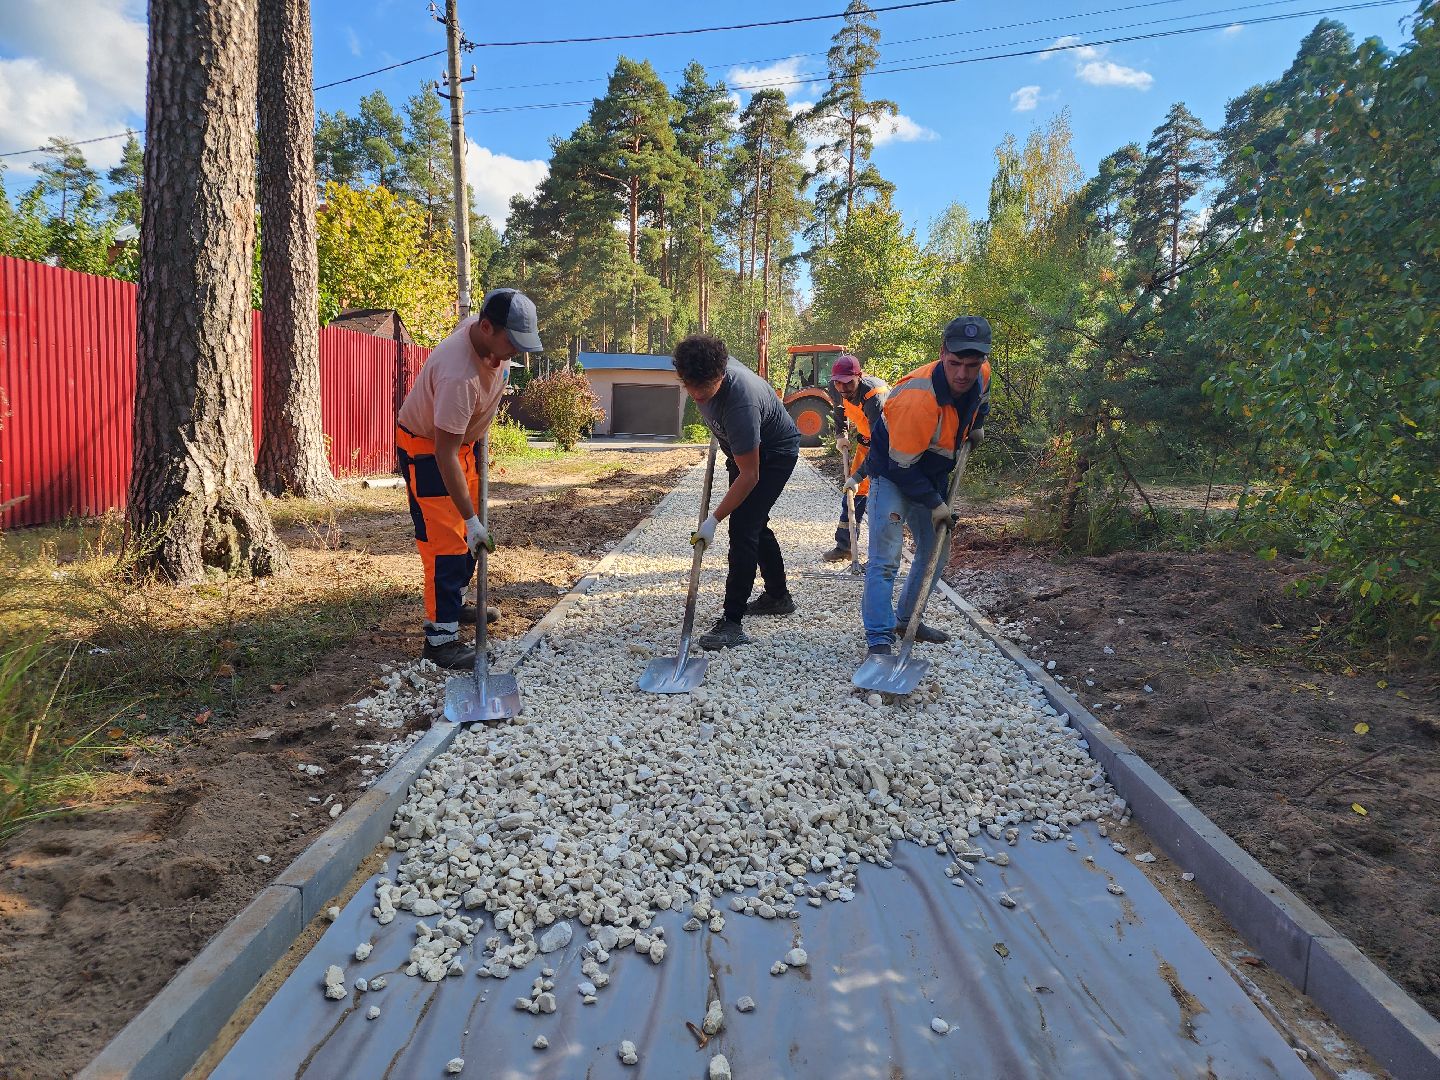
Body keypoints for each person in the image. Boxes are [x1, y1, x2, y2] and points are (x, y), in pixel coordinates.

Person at [394, 289, 543, 669]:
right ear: (486, 327)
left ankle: (456, 602)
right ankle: (440, 641)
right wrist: (473, 521)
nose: (516, 352)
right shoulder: (457, 375)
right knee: (446, 543)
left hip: (464, 444)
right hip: (430, 451)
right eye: (512, 343)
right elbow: (444, 453)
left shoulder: (486, 339)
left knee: (469, 540)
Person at [861, 316, 991, 655]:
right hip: (893, 472)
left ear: (982, 360)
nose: (963, 374)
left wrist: (977, 424)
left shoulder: (982, 373)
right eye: (955, 364)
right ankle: (879, 640)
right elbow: (901, 468)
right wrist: (935, 503)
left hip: (933, 469)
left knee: (935, 550)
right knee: (885, 559)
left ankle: (908, 620)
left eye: (972, 365)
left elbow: (982, 398)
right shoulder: (916, 399)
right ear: (942, 353)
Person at [672, 334, 801, 650]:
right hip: (741, 449)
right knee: (754, 523)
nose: (698, 397)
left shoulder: (741, 402)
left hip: (774, 453)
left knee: (742, 528)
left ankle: (732, 621)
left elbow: (751, 475)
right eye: (691, 388)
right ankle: (778, 597)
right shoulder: (698, 372)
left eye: (705, 391)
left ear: (722, 374)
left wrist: (713, 520)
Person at [822, 353, 889, 563]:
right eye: (838, 384)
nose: (843, 388)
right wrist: (841, 435)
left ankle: (882, 557)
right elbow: (839, 409)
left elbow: (881, 447)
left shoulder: (874, 397)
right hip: (866, 445)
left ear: (858, 377)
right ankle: (846, 546)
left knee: (884, 501)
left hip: (892, 450)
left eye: (848, 383)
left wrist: (858, 476)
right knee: (853, 496)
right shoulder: (837, 385)